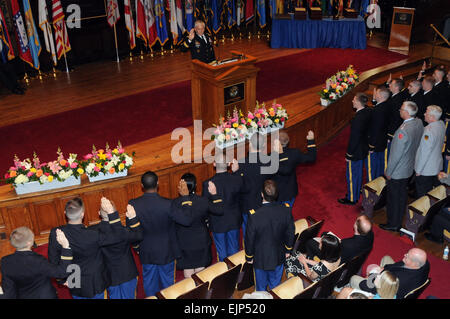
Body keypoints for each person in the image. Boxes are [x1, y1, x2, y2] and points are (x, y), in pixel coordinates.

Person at [128, 171, 193, 297]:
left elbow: (132, 230)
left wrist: (137, 248)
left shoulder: (133, 204)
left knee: (149, 283)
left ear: (142, 185)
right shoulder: (168, 204)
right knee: (168, 284)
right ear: (158, 184)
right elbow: (186, 220)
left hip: (146, 250)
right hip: (167, 250)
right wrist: (185, 198)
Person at [48, 197, 126, 299]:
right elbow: (120, 235)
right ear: (82, 214)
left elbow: (53, 260)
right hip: (95, 283)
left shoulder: (56, 233)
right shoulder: (93, 235)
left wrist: (61, 279)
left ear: (65, 213)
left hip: (74, 280)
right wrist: (111, 212)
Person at [245, 180, 295, 291]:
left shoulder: (254, 215)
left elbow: (249, 238)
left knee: (261, 289)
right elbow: (290, 232)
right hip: (279, 256)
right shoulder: (286, 210)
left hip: (260, 260)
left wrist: (249, 257)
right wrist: (288, 250)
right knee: (275, 287)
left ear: (262, 194)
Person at [381, 101, 423, 232]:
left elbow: (395, 155)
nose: (399, 110)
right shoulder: (418, 123)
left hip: (398, 170)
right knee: (401, 195)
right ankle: (398, 220)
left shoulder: (402, 131)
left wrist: (389, 171)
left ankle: (393, 223)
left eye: (401, 109)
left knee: (393, 198)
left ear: (406, 113)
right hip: (409, 166)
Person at [172, 173, 224, 278]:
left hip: (184, 243)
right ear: (195, 186)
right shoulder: (203, 201)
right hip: (201, 241)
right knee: (201, 269)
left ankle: (191, 292)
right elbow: (219, 210)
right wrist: (214, 194)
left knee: (188, 268)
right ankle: (201, 290)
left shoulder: (175, 203)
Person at [90, 202, 143, 299]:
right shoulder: (124, 231)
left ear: (99, 213)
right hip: (127, 273)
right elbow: (138, 235)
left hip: (109, 275)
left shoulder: (93, 233)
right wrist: (133, 218)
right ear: (115, 212)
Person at [0, 227, 72, 299]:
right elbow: (61, 273)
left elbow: (9, 289)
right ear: (30, 242)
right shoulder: (38, 260)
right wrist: (65, 247)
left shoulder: (5, 261)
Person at [202, 154, 244, 261]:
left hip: (217, 222)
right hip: (233, 220)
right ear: (228, 164)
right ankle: (236, 274)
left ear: (214, 164)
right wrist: (237, 172)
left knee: (222, 253)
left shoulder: (207, 183)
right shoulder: (237, 179)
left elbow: (206, 206)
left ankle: (225, 274)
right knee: (234, 251)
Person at [350, 248, 430, 299]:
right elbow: (395, 266)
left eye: (407, 256)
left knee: (354, 279)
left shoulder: (400, 279)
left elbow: (372, 287)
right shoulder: (425, 264)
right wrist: (384, 269)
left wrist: (372, 275)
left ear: (415, 263)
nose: (404, 255)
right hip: (393, 279)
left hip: (386, 291)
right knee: (386, 258)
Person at [232, 132, 270, 240]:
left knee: (248, 232)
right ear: (263, 146)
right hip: (263, 202)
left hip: (246, 205)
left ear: (249, 145)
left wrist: (235, 172)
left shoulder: (241, 163)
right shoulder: (268, 161)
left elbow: (237, 186)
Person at [338, 93, 371, 205]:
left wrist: (349, 154)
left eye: (353, 99)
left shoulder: (358, 118)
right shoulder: (367, 111)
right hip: (363, 148)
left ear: (358, 102)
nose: (352, 101)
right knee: (358, 174)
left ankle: (352, 198)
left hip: (356, 151)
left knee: (352, 175)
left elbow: (354, 138)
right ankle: (355, 193)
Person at [272, 130, 317, 207]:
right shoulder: (295, 153)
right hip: (291, 191)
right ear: (288, 141)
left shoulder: (270, 157)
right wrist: (311, 140)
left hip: (275, 194)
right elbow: (311, 157)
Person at [305, 214, 374, 264]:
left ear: (356, 226)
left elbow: (334, 256)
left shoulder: (348, 244)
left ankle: (309, 260)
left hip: (336, 259)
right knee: (325, 233)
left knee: (310, 243)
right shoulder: (371, 235)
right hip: (352, 252)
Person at [414, 105, 446, 198]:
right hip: (436, 166)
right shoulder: (441, 125)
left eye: (426, 113)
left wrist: (419, 170)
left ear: (432, 117)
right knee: (433, 195)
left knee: (423, 197)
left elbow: (425, 152)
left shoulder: (428, 131)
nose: (424, 114)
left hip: (426, 169)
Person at [368, 86, 391, 180]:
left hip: (376, 143)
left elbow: (375, 129)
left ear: (381, 96)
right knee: (380, 165)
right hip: (383, 141)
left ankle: (371, 188)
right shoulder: (387, 105)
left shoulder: (378, 110)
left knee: (372, 168)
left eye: (376, 93)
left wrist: (371, 145)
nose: (374, 95)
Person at [386, 78, 409, 150]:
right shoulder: (394, 96)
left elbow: (396, 118)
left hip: (392, 132)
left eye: (391, 84)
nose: (389, 85)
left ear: (396, 87)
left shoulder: (397, 100)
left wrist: (390, 134)